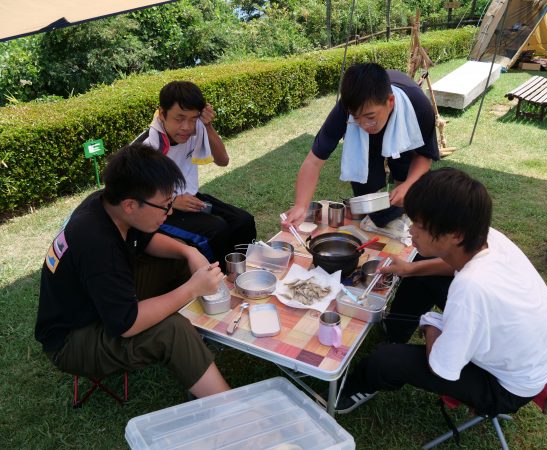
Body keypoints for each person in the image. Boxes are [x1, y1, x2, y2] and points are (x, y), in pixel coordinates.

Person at [335, 168, 547, 417]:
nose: (411, 231)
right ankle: (395, 332)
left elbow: (441, 367)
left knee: (385, 360)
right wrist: (410, 269)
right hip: (525, 351)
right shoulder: (486, 236)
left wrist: (431, 325)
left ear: (455, 234)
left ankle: (354, 388)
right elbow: (451, 264)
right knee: (421, 271)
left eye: (419, 226)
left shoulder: (471, 287)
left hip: (506, 386)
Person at [35, 143, 230, 399]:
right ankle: (230, 407)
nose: (170, 211)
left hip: (99, 302)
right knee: (172, 330)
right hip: (73, 338)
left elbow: (146, 240)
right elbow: (127, 324)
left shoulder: (107, 202)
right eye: (165, 205)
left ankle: (210, 338)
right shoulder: (97, 244)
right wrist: (192, 289)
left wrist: (189, 252)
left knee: (178, 256)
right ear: (130, 205)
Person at [284, 62, 439, 228]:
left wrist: (408, 185)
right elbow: (313, 161)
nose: (364, 126)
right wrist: (301, 205)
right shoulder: (345, 109)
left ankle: (404, 217)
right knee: (365, 187)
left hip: (403, 134)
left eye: (370, 117)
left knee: (406, 181)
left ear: (390, 101)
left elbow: (424, 155)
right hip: (364, 143)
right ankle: (375, 221)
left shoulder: (419, 108)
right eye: (356, 118)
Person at [136, 80, 256, 267]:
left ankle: (245, 270)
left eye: (193, 118)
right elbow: (130, 195)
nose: (186, 127)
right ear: (162, 114)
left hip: (189, 198)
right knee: (217, 230)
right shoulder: (147, 147)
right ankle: (221, 276)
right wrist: (172, 201)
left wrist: (207, 126)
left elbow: (223, 160)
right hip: (159, 210)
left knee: (243, 221)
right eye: (179, 118)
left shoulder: (196, 129)